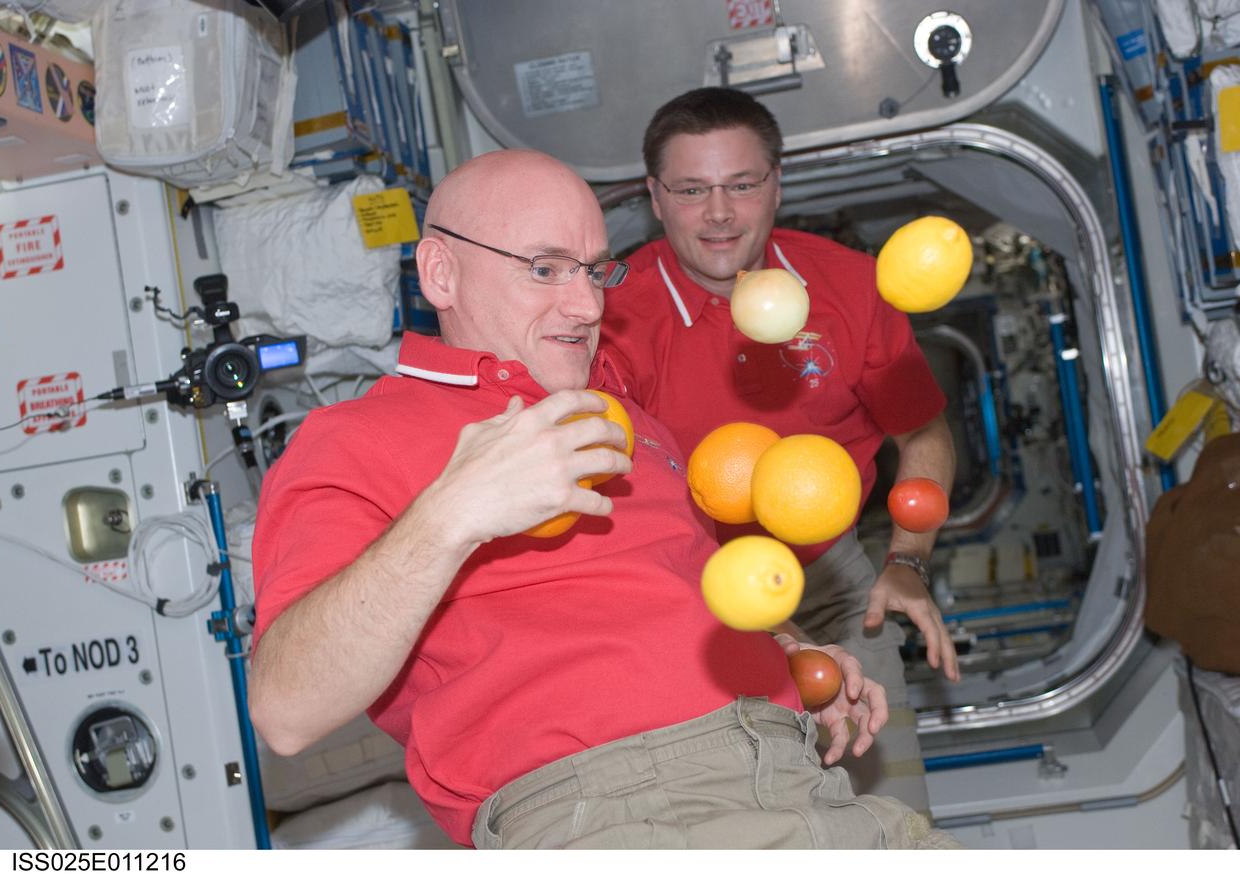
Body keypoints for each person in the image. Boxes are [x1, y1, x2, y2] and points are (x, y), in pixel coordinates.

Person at [248, 149, 958, 849]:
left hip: (800, 780)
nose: (587, 304)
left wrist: (791, 654)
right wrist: (451, 513)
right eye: (545, 268)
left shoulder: (626, 420)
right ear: (441, 272)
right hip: (623, 810)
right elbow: (285, 710)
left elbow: (664, 596)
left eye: (593, 270)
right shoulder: (351, 440)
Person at [600, 87, 960, 815]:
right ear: (655, 198)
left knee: (888, 815)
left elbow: (920, 431)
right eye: (693, 189)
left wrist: (908, 560)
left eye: (742, 184)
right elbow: (619, 494)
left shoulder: (852, 289)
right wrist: (770, 633)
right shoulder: (613, 320)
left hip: (832, 581)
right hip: (681, 588)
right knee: (740, 821)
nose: (721, 213)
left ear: (777, 184)